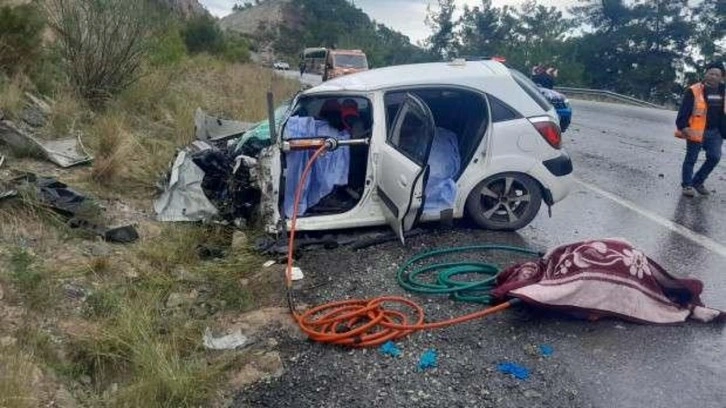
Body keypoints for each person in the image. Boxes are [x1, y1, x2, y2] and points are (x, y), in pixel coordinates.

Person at [675, 61, 726, 197]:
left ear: (722, 77)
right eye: (711, 73)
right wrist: (683, 126)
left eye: (717, 75)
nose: (713, 76)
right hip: (696, 130)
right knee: (691, 158)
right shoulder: (694, 90)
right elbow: (684, 110)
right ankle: (687, 185)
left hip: (715, 132)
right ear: (706, 74)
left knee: (714, 157)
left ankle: (697, 181)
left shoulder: (724, 91)